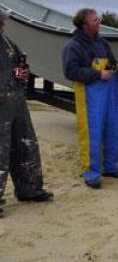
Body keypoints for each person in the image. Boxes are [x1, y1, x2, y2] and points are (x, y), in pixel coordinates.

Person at [62, 8, 118, 189]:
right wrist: (97, 74)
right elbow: (70, 71)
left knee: (111, 129)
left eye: (98, 19)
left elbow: (113, 63)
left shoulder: (102, 43)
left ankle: (111, 167)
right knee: (92, 134)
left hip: (109, 93)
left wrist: (113, 72)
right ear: (84, 24)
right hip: (90, 96)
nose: (99, 22)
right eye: (95, 20)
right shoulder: (73, 46)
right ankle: (91, 173)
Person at [0, 11, 53, 216]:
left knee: (25, 144)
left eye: (3, 21)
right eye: (1, 21)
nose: (3, 25)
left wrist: (22, 73)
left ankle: (29, 189)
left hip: (16, 101)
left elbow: (21, 64)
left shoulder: (7, 42)